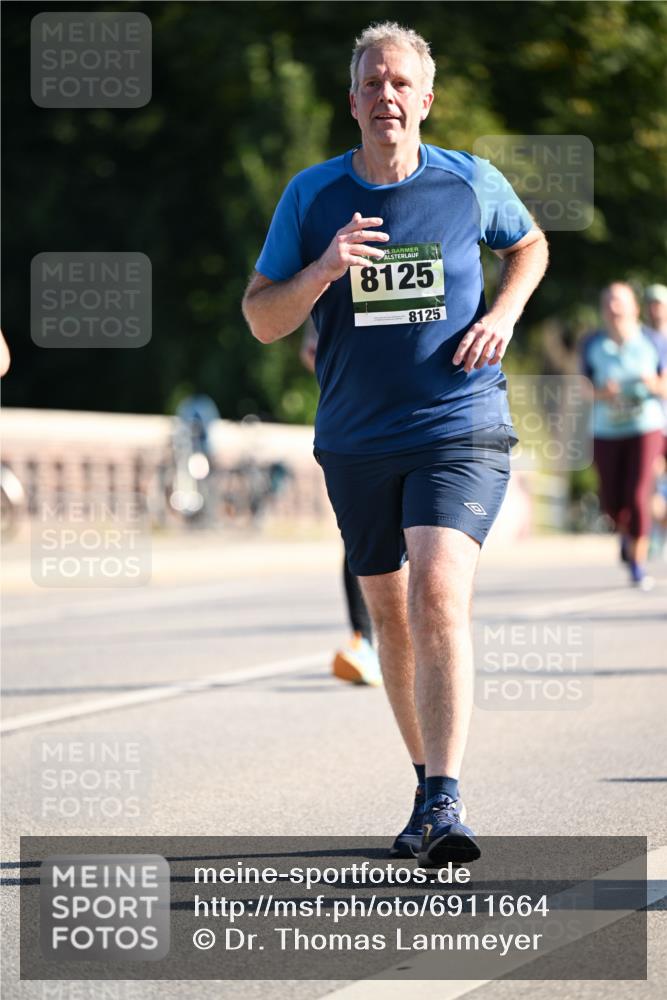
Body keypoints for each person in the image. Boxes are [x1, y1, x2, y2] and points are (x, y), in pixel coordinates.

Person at [242, 22, 548, 865]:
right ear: (352, 101)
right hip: (354, 439)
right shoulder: (312, 197)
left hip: (459, 424)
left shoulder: (467, 182)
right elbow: (262, 320)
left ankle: (447, 800)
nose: (386, 95)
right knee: (387, 610)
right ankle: (423, 784)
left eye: (400, 82)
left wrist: (502, 314)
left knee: (436, 590)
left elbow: (528, 244)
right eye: (371, 83)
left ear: (425, 98)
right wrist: (322, 270)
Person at [300, 318, 382, 686]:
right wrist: (317, 339)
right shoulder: (331, 262)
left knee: (419, 534)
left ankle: (419, 639)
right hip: (355, 416)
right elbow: (310, 344)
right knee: (360, 536)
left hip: (425, 412)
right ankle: (364, 642)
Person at [580, 283, 667, 589]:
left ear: (634, 308)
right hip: (605, 430)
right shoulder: (592, 344)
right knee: (612, 502)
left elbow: (665, 387)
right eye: (608, 302)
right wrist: (604, 393)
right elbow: (582, 389)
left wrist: (653, 385)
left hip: (645, 427)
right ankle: (626, 532)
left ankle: (638, 564)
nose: (613, 308)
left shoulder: (653, 342)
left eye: (619, 302)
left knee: (638, 493)